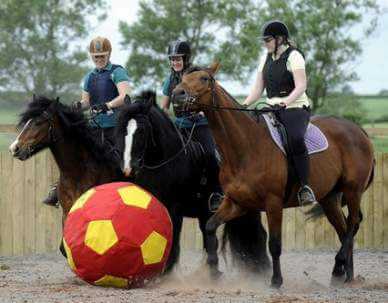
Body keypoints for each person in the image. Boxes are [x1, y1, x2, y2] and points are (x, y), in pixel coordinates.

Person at [43, 36, 131, 206]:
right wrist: (79, 105)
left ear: (108, 54)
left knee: (121, 158)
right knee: (74, 153)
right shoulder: (89, 77)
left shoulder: (117, 72)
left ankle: (132, 184)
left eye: (102, 56)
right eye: (96, 57)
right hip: (95, 127)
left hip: (116, 126)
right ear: (92, 56)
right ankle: (60, 189)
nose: (99, 59)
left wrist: (108, 105)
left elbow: (125, 96)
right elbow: (87, 102)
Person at [242, 20, 316, 205]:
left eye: (267, 40)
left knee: (295, 139)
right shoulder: (265, 57)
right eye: (264, 40)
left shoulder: (294, 56)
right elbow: (258, 90)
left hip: (295, 107)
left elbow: (301, 86)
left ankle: (305, 186)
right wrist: (243, 105)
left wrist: (285, 102)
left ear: (280, 39)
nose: (265, 43)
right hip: (271, 108)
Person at [161, 40, 223, 211]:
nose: (175, 62)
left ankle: (216, 193)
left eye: (178, 59)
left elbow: (209, 99)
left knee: (210, 154)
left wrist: (202, 113)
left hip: (200, 124)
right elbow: (165, 107)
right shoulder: (170, 80)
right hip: (179, 125)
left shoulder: (197, 75)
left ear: (186, 58)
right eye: (172, 59)